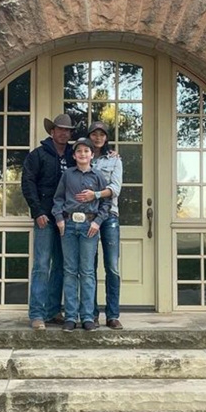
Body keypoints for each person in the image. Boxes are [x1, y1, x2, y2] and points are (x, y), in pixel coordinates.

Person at [21, 113, 75, 330]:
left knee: (61, 266)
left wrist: (110, 152)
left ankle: (53, 310)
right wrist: (37, 211)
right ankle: (37, 314)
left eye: (67, 130)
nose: (63, 133)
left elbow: (91, 162)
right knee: (42, 265)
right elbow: (27, 183)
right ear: (52, 131)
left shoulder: (74, 155)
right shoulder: (38, 155)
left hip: (66, 218)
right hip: (45, 217)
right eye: (60, 129)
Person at [53, 137, 111, 332]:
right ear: (75, 155)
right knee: (70, 271)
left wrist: (97, 221)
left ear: (92, 155)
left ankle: (87, 316)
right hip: (69, 226)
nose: (83, 154)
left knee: (86, 272)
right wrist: (59, 218)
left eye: (87, 151)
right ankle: (70, 316)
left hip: (89, 226)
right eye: (79, 151)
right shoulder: (68, 175)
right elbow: (58, 199)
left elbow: (106, 203)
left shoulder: (98, 176)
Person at [75, 121, 124, 330]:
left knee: (112, 267)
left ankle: (112, 315)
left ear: (106, 138)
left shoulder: (114, 160)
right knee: (89, 267)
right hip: (88, 217)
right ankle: (91, 313)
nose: (98, 138)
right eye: (94, 134)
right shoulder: (85, 157)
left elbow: (115, 188)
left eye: (102, 135)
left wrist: (95, 194)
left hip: (109, 216)